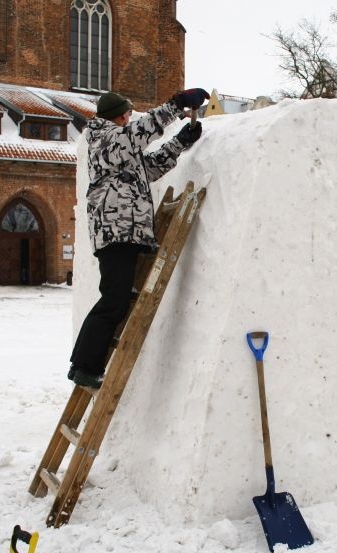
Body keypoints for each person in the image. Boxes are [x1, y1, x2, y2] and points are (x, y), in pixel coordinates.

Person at [68, 88, 209, 389]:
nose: (130, 118)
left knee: (114, 299)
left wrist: (181, 141)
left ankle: (80, 363)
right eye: (128, 114)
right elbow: (136, 136)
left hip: (125, 232)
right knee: (113, 301)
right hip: (116, 232)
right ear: (120, 115)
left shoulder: (119, 146)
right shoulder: (103, 138)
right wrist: (176, 105)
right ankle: (84, 366)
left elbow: (150, 166)